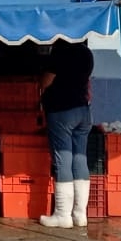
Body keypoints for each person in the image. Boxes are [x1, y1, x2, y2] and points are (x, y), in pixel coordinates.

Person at [38, 39, 94, 229]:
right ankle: (80, 214)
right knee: (80, 159)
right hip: (83, 111)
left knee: (63, 159)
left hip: (62, 110)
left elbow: (47, 80)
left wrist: (41, 88)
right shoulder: (87, 53)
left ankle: (62, 214)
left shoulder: (61, 50)